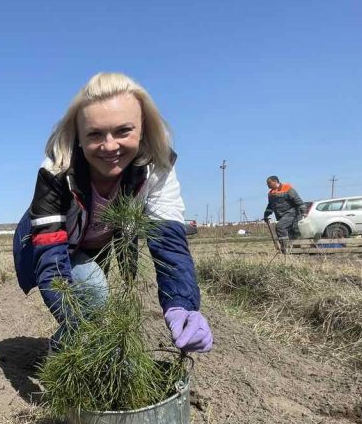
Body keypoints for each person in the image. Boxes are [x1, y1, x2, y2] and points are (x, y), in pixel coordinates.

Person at [13, 72, 212, 353]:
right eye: (95, 134)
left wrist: (182, 306)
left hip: (98, 247)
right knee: (95, 296)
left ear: (142, 129)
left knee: (95, 312)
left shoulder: (156, 167)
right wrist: (77, 321)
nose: (109, 146)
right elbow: (50, 255)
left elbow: (168, 243)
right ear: (78, 137)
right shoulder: (57, 168)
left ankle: (68, 352)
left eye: (123, 131)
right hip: (51, 245)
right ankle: (70, 359)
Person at [263, 176, 305, 253]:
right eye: (267, 183)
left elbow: (298, 200)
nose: (268, 185)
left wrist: (303, 212)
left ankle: (285, 249)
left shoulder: (287, 188)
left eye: (269, 183)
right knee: (292, 233)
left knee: (280, 227)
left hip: (292, 212)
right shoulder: (271, 194)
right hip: (281, 215)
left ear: (275, 181)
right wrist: (266, 214)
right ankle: (297, 251)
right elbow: (270, 205)